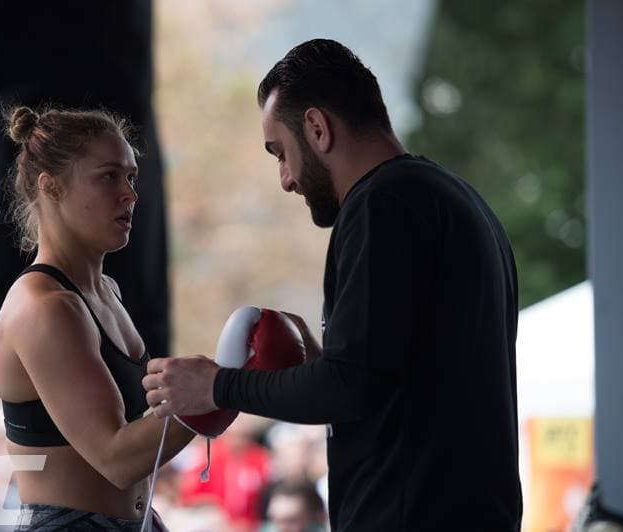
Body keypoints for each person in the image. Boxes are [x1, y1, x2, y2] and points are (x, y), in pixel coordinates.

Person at [143, 39, 523, 531]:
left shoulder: (380, 205)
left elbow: (350, 387)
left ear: (318, 129)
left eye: (280, 153)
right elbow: (386, 379)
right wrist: (321, 363)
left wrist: (216, 386)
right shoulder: (459, 201)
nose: (285, 179)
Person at [0, 106, 194, 531]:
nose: (130, 194)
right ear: (51, 188)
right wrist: (223, 391)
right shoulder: (44, 308)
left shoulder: (105, 293)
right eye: (109, 176)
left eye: (132, 177)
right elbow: (116, 458)